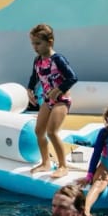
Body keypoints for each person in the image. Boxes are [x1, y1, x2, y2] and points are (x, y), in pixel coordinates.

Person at [27, 22, 77, 178]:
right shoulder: (37, 60)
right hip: (47, 100)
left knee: (52, 132)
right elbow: (34, 77)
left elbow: (72, 77)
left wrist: (59, 89)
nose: (35, 47)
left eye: (38, 43)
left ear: (50, 42)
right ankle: (45, 163)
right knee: (38, 131)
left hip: (62, 100)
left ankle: (63, 166)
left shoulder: (58, 59)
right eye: (33, 43)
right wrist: (29, 89)